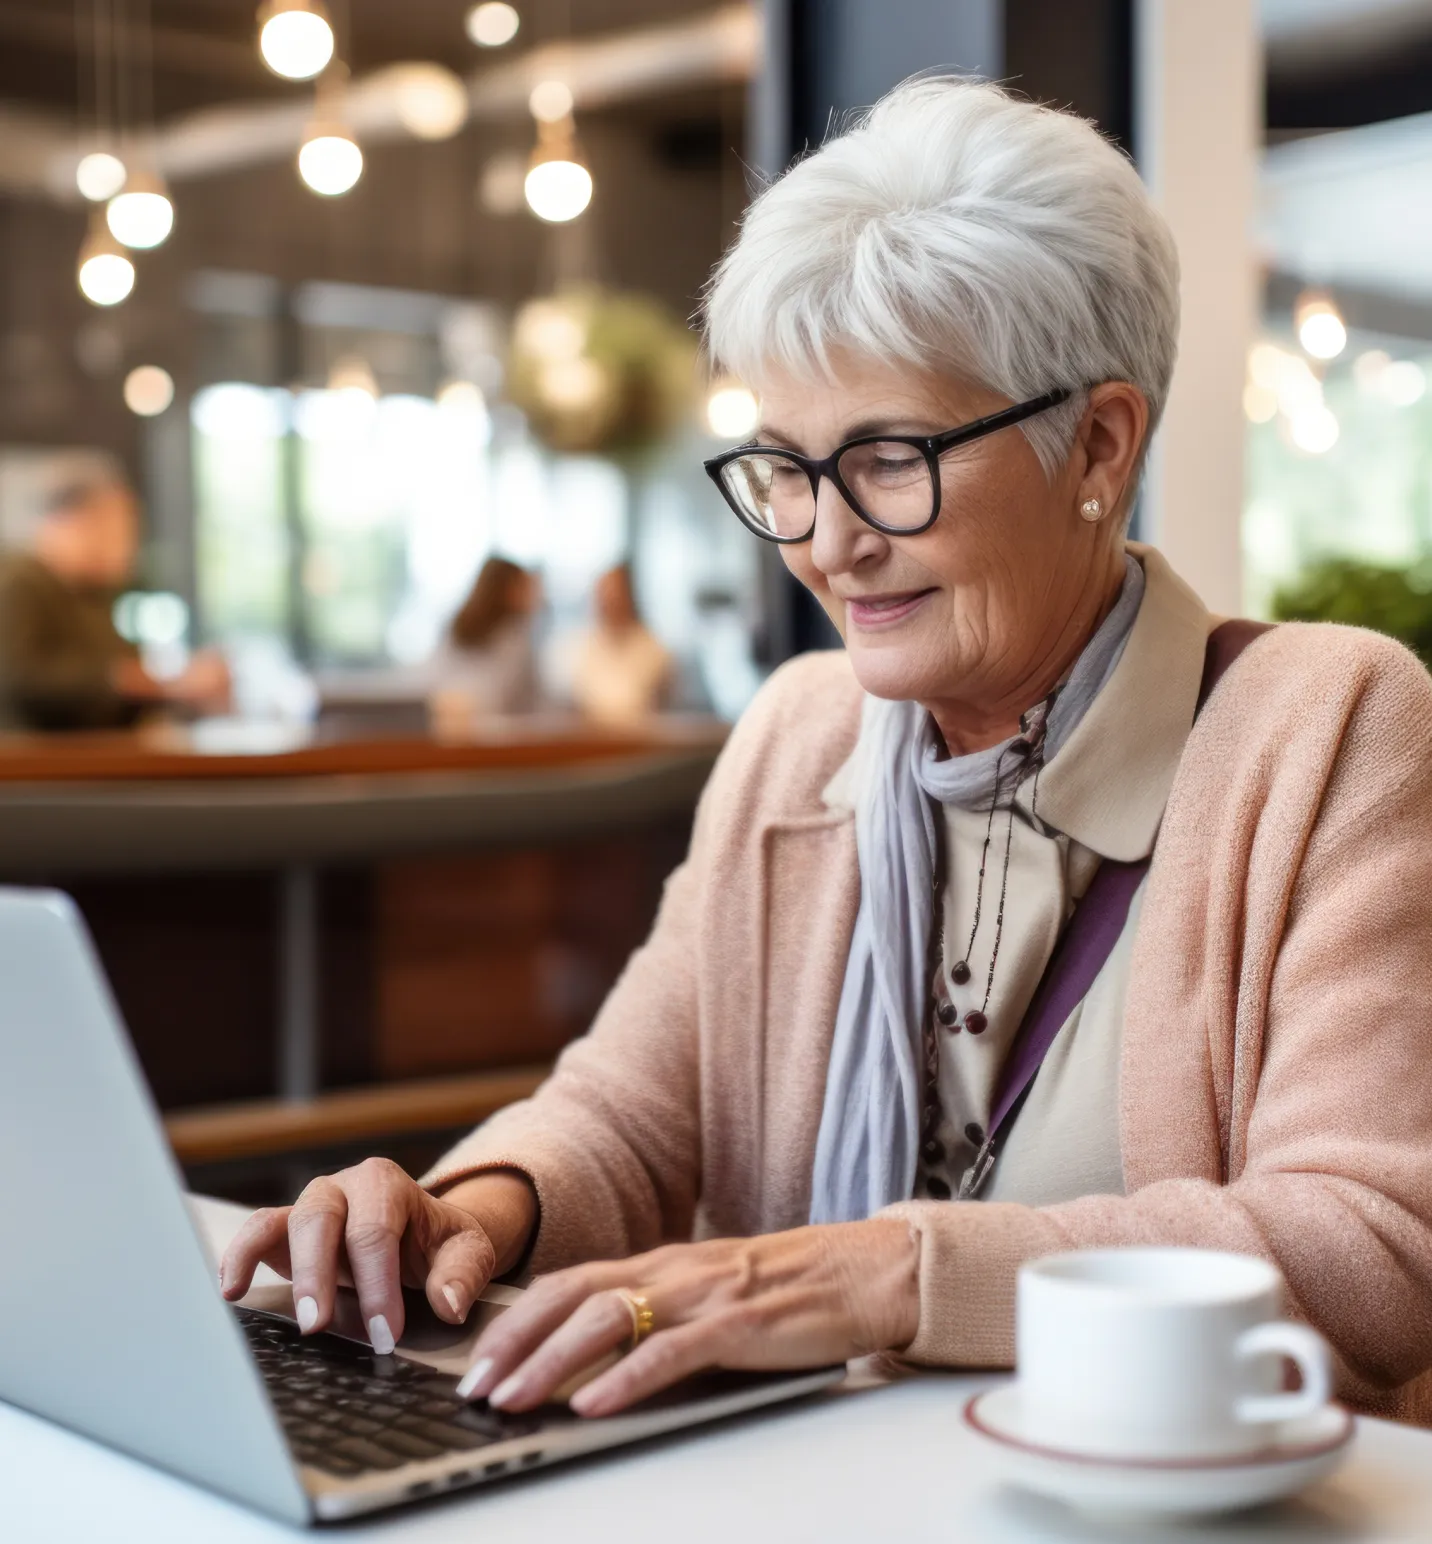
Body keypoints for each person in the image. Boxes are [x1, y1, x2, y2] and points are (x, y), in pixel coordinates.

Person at [224, 79, 1432, 1425]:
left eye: (890, 460)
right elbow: (628, 1117)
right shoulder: (801, 736)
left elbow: (1374, 1252)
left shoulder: (1329, 730)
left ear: (1098, 443)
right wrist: (464, 1212)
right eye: (787, 468)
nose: (825, 541)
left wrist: (892, 1274)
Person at [0, 452, 228, 731]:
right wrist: (124, 680)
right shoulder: (20, 583)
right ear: (67, 520)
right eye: (113, 526)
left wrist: (181, 688)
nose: (125, 545)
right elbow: (18, 681)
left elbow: (122, 693)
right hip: (35, 765)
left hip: (95, 758)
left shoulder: (95, 596)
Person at [427, 556, 542, 731]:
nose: (534, 596)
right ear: (506, 588)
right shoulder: (459, 629)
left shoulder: (518, 637)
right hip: (464, 729)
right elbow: (438, 685)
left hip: (500, 732)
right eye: (524, 587)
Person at [569, 564, 673, 726]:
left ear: (629, 596)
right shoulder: (577, 648)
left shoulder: (654, 649)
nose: (610, 600)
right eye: (604, 593)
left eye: (615, 592)